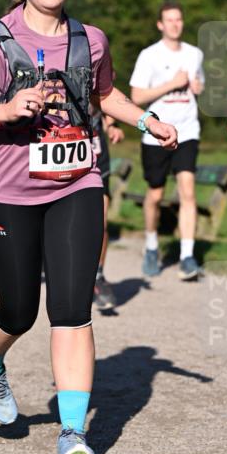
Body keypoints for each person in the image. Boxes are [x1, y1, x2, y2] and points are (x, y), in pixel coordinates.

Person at [0, 0, 178, 454]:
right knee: (20, 310)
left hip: (76, 184)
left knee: (72, 309)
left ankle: (74, 439)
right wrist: (6, 109)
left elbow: (103, 95)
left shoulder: (90, 39)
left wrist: (148, 121)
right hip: (5, 191)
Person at [129, 0, 205, 280]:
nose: (175, 24)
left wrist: (197, 87)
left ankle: (187, 255)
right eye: (169, 20)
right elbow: (136, 97)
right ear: (160, 24)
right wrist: (171, 84)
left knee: (188, 191)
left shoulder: (195, 54)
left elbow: (199, 83)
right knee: (156, 195)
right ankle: (151, 245)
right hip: (157, 134)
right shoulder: (149, 56)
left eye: (179, 19)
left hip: (187, 130)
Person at [91, 103, 125, 310]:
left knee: (99, 224)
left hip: (97, 158)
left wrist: (112, 125)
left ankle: (98, 276)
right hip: (61, 159)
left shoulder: (100, 70)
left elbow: (107, 97)